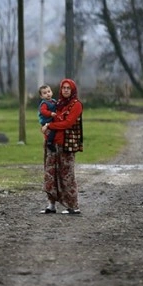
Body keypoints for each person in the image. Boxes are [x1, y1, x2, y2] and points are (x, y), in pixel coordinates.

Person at [41, 78, 83, 215]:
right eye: (63, 88)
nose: (65, 90)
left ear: (72, 90)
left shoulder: (76, 105)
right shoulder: (57, 104)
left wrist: (49, 126)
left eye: (68, 88)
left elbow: (67, 123)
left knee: (67, 175)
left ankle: (73, 206)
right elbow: (47, 116)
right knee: (50, 174)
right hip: (52, 144)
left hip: (66, 145)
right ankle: (51, 204)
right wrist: (45, 127)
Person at [37, 84, 58, 152]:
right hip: (46, 120)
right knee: (52, 130)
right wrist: (50, 113)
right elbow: (43, 111)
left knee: (54, 129)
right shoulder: (44, 103)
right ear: (41, 96)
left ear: (51, 92)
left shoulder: (54, 101)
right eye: (45, 93)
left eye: (49, 91)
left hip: (51, 120)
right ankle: (49, 142)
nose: (47, 94)